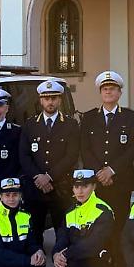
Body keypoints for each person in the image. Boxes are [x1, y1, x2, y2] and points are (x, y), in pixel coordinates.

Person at [78, 70, 134, 267]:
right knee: (97, 232)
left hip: (119, 184)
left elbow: (132, 148)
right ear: (100, 92)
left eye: (112, 89)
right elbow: (85, 148)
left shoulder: (130, 117)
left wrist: (112, 170)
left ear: (119, 92)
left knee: (119, 232)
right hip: (97, 185)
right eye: (105, 89)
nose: (108, 92)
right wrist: (98, 172)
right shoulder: (89, 117)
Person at [44, 169, 115, 267]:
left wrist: (65, 256)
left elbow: (92, 245)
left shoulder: (103, 211)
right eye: (76, 187)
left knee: (74, 260)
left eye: (85, 186)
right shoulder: (70, 212)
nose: (80, 191)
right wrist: (56, 255)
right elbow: (61, 238)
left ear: (94, 187)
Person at [19, 79, 81, 243]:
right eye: (46, 98)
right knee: (34, 234)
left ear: (60, 100)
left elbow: (72, 155)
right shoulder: (30, 124)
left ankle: (63, 266)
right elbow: (24, 155)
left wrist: (50, 177)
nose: (50, 102)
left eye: (54, 98)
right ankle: (36, 266)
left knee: (63, 234)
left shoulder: (70, 124)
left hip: (60, 188)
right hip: (35, 189)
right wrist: (38, 177)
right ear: (40, 100)